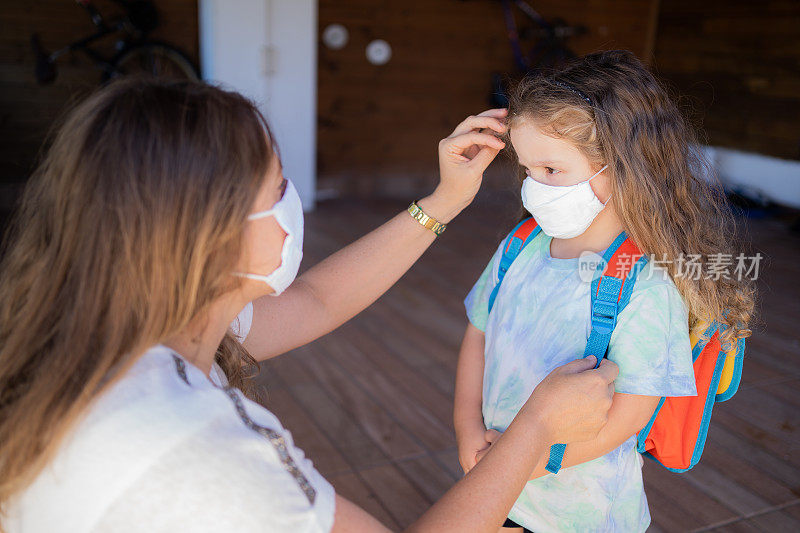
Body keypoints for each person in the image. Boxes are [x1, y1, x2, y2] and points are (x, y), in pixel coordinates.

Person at [0, 77, 619, 532]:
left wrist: (445, 200)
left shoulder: (138, 325)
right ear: (206, 235)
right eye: (278, 187)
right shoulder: (189, 448)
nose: (291, 198)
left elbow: (317, 301)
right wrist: (534, 430)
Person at [454, 50, 754, 533]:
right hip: (497, 490)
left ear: (620, 168)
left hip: (583, 512)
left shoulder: (646, 286)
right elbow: (477, 335)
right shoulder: (519, 246)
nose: (533, 187)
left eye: (551, 171)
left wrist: (526, 463)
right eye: (528, 169)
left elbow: (634, 409)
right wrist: (468, 431)